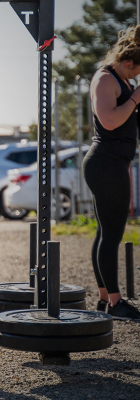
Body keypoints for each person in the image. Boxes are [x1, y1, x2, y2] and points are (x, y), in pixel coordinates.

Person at [83, 25, 140, 321]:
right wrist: (135, 99)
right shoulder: (106, 79)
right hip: (105, 164)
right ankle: (116, 303)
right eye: (136, 70)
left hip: (113, 164)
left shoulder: (123, 80)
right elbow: (108, 121)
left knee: (105, 232)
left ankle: (105, 299)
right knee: (112, 234)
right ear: (128, 63)